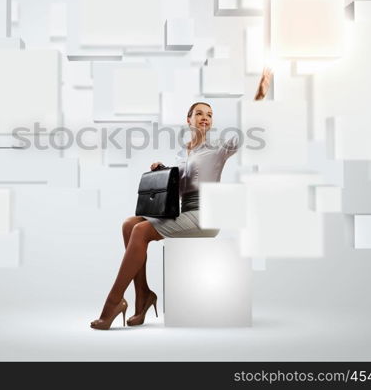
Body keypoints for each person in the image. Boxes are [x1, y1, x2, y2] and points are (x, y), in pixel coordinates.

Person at [90, 67, 274, 330]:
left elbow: (247, 130)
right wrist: (162, 172)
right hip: (183, 212)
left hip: (206, 215)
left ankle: (113, 303)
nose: (205, 118)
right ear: (188, 120)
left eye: (209, 115)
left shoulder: (219, 148)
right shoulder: (182, 153)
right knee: (129, 225)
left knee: (141, 231)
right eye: (199, 113)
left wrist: (259, 96)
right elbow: (179, 190)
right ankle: (142, 296)